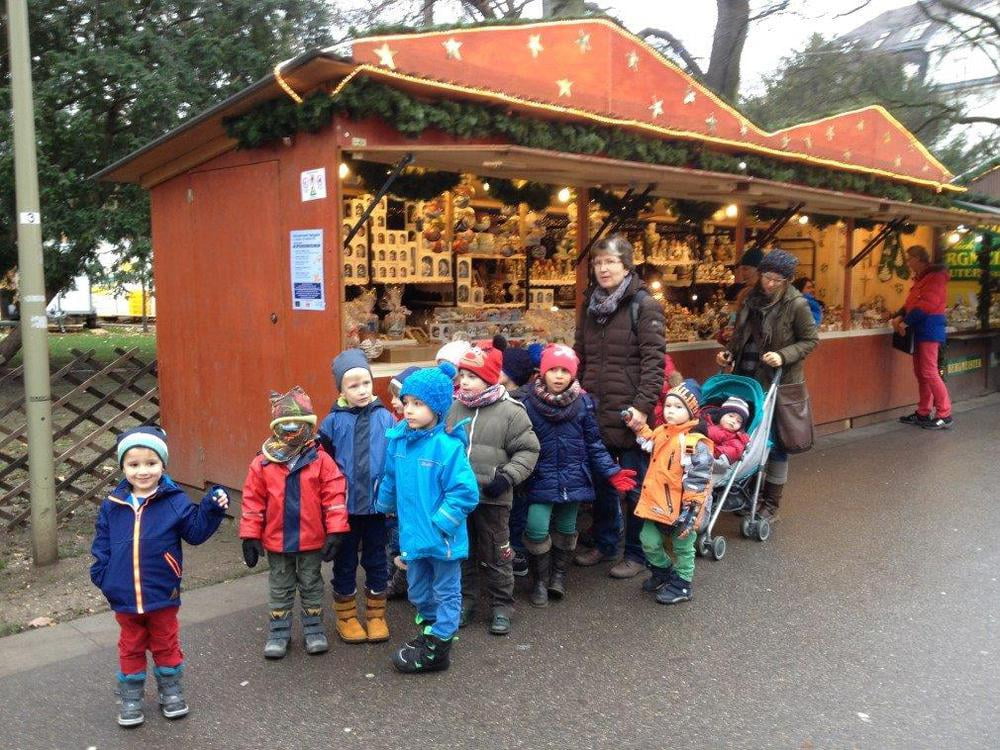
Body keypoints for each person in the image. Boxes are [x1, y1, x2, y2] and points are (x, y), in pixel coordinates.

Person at [90, 426, 229, 727]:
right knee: (130, 646)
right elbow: (101, 544)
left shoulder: (174, 501)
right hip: (124, 595)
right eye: (134, 464)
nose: (143, 471)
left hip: (163, 592)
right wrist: (103, 575)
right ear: (123, 467)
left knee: (166, 643)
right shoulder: (112, 506)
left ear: (163, 465)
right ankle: (130, 697)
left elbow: (195, 532)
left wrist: (211, 509)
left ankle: (171, 690)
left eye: (151, 463)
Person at [375, 362, 479, 674]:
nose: (408, 409)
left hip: (442, 538)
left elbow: (464, 492)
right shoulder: (399, 440)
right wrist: (384, 503)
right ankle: (430, 632)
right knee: (418, 590)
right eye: (406, 402)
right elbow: (390, 476)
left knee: (446, 591)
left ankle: (440, 648)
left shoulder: (447, 447)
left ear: (437, 407)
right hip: (413, 535)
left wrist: (441, 523)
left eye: (418, 404)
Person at [573, 235, 666, 579]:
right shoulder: (589, 306)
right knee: (601, 481)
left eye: (610, 261)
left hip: (630, 413)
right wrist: (577, 391)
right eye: (598, 263)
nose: (603, 268)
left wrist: (642, 406)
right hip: (595, 408)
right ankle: (605, 543)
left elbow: (655, 363)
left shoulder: (645, 305)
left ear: (626, 266)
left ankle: (637, 553)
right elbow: (580, 354)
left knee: (634, 486)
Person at [518, 345, 637, 607]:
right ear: (543, 372)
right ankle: (539, 581)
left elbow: (594, 444)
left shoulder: (583, 404)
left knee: (566, 529)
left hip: (574, 479)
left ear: (573, 374)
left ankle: (558, 577)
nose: (559, 376)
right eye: (553, 370)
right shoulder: (527, 403)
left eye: (565, 370)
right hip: (540, 477)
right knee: (536, 528)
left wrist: (611, 471)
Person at [239, 387, 349, 659]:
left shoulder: (321, 460)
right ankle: (279, 632)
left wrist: (336, 530)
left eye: (297, 424)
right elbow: (253, 501)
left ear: (308, 425)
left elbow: (334, 496)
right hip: (277, 541)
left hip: (311, 539)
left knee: (311, 584)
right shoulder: (262, 463)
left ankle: (314, 630)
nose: (291, 429)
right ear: (275, 426)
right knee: (280, 586)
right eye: (285, 424)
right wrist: (250, 535)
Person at [716, 249, 819, 522]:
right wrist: (728, 353)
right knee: (746, 436)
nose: (770, 283)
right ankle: (748, 493)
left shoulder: (796, 304)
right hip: (746, 377)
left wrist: (783, 355)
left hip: (779, 382)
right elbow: (740, 336)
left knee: (776, 442)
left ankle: (771, 503)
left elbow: (810, 340)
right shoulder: (749, 298)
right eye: (767, 277)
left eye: (777, 279)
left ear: (787, 280)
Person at [447, 342, 540, 635]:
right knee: (463, 553)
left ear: (489, 379)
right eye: (462, 375)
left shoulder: (511, 411)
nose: (464, 381)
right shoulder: (454, 408)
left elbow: (528, 450)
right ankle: (466, 601)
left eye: (472, 376)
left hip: (493, 497)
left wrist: (507, 477)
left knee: (498, 554)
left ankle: (502, 605)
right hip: (459, 498)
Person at [319, 350, 397, 644]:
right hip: (344, 509)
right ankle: (346, 617)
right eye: (353, 386)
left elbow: (395, 459)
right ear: (341, 390)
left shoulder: (387, 419)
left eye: (366, 383)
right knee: (345, 562)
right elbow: (322, 465)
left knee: (377, 561)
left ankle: (376, 615)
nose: (362, 390)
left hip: (378, 508)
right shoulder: (332, 423)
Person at [626, 379, 713, 604]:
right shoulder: (663, 432)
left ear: (691, 411)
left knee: (683, 547)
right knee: (648, 540)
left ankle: (683, 584)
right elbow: (648, 441)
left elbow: (699, 480)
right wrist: (636, 425)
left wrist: (691, 513)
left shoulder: (694, 442)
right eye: (668, 405)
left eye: (678, 407)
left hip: (683, 509)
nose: (670, 411)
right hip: (656, 503)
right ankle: (663, 571)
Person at [891, 245, 952, 430]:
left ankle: (945, 414)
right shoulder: (922, 278)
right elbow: (911, 303)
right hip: (920, 331)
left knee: (929, 372)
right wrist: (899, 315)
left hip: (929, 331)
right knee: (921, 372)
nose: (908, 262)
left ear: (918, 258)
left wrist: (905, 322)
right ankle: (923, 412)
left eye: (909, 258)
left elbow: (927, 304)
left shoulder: (935, 278)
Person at [499, 344, 540, 578]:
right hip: (512, 470)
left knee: (515, 514)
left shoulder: (519, 402)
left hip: (516, 472)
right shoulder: (511, 397)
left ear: (511, 374)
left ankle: (517, 556)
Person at [384, 365, 419, 600]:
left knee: (402, 542)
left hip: (409, 501)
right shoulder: (397, 426)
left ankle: (400, 582)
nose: (395, 402)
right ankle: (393, 578)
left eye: (400, 397)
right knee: (394, 540)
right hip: (397, 500)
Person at [704, 396, 751, 468]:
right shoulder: (706, 421)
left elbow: (734, 451)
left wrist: (713, 452)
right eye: (731, 416)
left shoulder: (736, 438)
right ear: (721, 415)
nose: (733, 421)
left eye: (738, 421)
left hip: (710, 459)